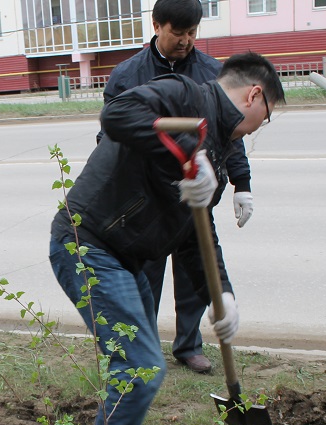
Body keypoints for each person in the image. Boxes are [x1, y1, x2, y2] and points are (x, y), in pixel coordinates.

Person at [49, 53, 284, 425]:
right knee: (139, 369)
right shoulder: (186, 95)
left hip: (124, 253)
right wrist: (183, 155)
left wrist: (225, 296)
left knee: (142, 359)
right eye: (268, 116)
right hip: (86, 242)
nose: (260, 127)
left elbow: (197, 233)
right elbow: (115, 116)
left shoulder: (216, 144)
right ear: (255, 95)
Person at [99, 0, 254, 375]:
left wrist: (241, 183)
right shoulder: (127, 74)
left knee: (192, 276)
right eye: (177, 33)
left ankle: (189, 345)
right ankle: (145, 351)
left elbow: (230, 134)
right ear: (156, 25)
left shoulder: (212, 73)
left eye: (192, 33)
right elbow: (110, 135)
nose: (185, 41)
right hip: (147, 202)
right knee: (145, 281)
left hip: (193, 198)